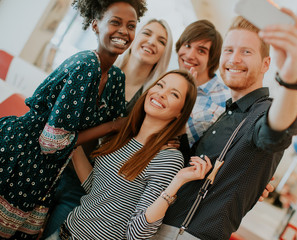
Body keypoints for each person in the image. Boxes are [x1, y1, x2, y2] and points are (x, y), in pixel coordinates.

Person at [152, 8, 297, 240]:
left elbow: (276, 130)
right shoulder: (228, 112)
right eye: (229, 50)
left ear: (266, 64)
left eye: (246, 52)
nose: (234, 59)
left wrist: (290, 76)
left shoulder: (263, 111)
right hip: (162, 222)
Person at [0, 0, 147, 239]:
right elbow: (51, 142)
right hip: (19, 155)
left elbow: (119, 131)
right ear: (96, 25)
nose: (124, 31)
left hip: (47, 172)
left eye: (131, 26)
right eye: (115, 22)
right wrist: (113, 125)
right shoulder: (86, 65)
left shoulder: (116, 78)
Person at [41, 17, 173, 239]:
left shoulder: (151, 102)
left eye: (161, 40)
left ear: (164, 53)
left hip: (83, 184)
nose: (152, 41)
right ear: (133, 37)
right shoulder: (98, 69)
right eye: (147, 33)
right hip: (49, 165)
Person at [46, 69, 212, 240]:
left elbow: (137, 233)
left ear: (181, 113)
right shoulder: (125, 136)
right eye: (160, 85)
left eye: (174, 94)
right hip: (65, 231)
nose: (161, 94)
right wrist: (73, 141)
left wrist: (177, 182)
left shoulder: (169, 158)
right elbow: (95, 189)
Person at [174, 19, 231, 147]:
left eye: (201, 51)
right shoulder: (169, 82)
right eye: (187, 45)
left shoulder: (226, 100)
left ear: (212, 59)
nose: (189, 55)